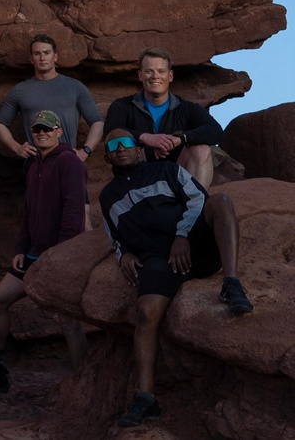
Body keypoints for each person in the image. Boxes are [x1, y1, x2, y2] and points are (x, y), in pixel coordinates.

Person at [100, 129, 252, 428]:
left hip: (193, 240)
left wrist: (182, 235)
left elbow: (198, 198)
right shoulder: (107, 196)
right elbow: (115, 237)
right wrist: (125, 255)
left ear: (138, 149)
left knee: (221, 201)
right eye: (113, 146)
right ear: (107, 156)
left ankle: (231, 283)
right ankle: (146, 400)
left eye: (126, 142)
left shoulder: (166, 169)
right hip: (158, 258)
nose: (121, 149)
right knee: (145, 312)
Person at [0, 109, 88, 366]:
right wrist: (21, 248)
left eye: (47, 129)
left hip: (58, 256)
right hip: (32, 255)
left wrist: (60, 255)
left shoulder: (70, 162)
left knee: (68, 319)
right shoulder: (33, 167)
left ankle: (82, 377)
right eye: (37, 129)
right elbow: (29, 212)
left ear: (58, 131)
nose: (42, 133)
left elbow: (74, 209)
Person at [103, 48, 223, 189]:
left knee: (202, 149)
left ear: (170, 75)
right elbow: (110, 131)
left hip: (177, 173)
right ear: (140, 75)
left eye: (161, 71)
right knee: (123, 146)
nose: (155, 76)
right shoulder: (122, 106)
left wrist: (180, 139)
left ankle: (194, 204)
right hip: (139, 173)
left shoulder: (186, 108)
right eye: (149, 71)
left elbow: (216, 131)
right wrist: (146, 138)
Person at [0, 34, 103, 162]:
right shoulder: (20, 90)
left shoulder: (75, 87)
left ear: (55, 56)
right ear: (31, 59)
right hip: (35, 161)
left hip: (66, 160)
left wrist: (85, 151)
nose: (42, 58)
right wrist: (16, 147)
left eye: (46, 53)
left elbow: (97, 122)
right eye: (37, 53)